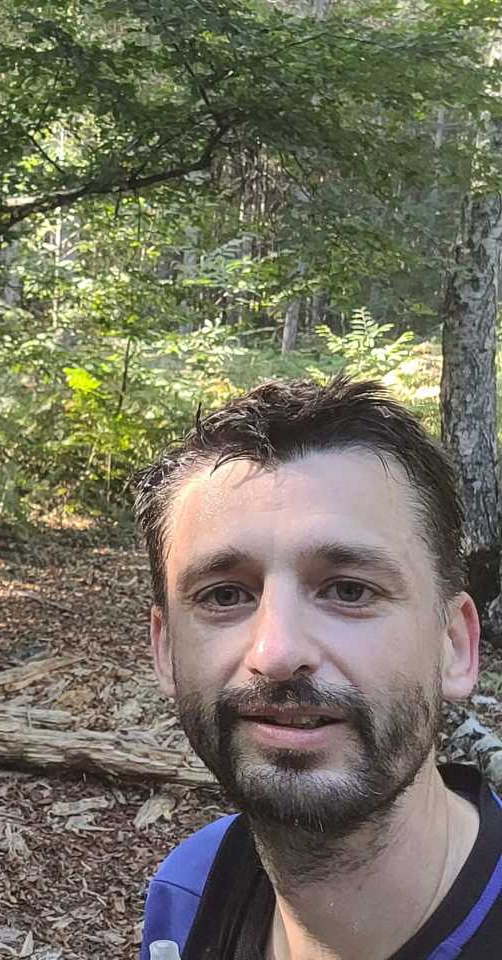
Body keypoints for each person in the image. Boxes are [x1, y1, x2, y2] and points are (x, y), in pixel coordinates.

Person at [135, 378, 502, 959]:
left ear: (454, 646)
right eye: (225, 595)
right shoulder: (190, 894)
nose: (276, 653)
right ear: (165, 651)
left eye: (349, 590)